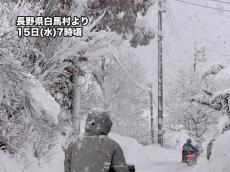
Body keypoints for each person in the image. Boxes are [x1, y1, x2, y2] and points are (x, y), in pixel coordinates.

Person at [64, 110, 130, 172]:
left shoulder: (73, 145)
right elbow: (121, 170)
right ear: (106, 125)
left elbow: (67, 169)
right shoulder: (113, 146)